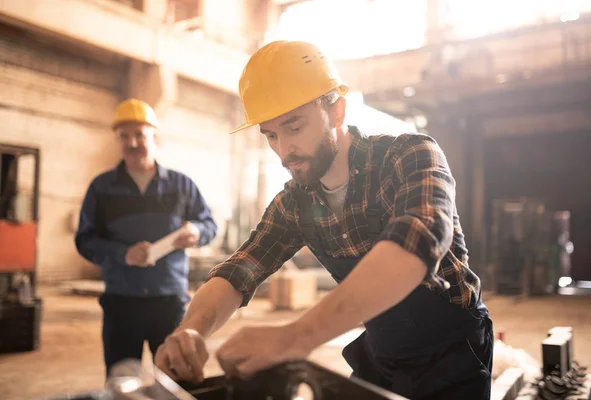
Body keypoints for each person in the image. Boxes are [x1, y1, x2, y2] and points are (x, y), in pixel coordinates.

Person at [155, 41, 493, 400]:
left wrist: (297, 336)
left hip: (453, 355)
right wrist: (192, 330)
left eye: (294, 127)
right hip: (383, 355)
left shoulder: (409, 155)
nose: (284, 150)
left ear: (336, 112)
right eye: (271, 135)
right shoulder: (295, 203)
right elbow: (240, 269)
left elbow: (416, 244)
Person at [75, 98, 217, 377]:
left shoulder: (181, 185)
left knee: (175, 378)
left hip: (170, 303)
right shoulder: (101, 188)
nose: (132, 142)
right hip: (121, 303)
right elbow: (85, 240)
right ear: (117, 140)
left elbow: (209, 224)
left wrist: (198, 232)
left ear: (154, 136)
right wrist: (122, 253)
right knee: (122, 380)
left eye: (139, 134)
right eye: (124, 136)